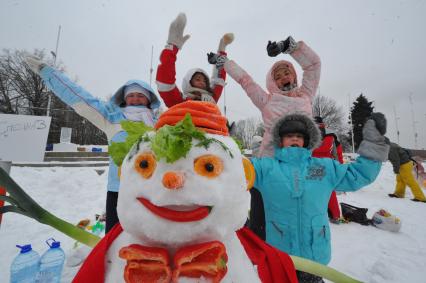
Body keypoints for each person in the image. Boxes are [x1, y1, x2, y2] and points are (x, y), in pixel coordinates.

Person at [24, 56, 161, 232]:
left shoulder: (160, 123)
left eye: (140, 95)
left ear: (149, 99)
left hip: (153, 189)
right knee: (115, 241)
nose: (135, 99)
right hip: (119, 190)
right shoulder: (110, 118)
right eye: (131, 95)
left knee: (152, 237)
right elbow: (79, 97)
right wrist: (48, 72)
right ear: (124, 99)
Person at [250, 112, 389, 283]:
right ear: (280, 140)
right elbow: (235, 170)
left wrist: (373, 144)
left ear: (307, 140)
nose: (294, 139)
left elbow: (358, 174)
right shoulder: (265, 168)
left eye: (299, 136)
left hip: (314, 256)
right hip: (280, 255)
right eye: (289, 136)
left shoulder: (323, 168)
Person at [208, 35, 321, 157]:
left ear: (293, 75)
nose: (284, 77)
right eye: (277, 77)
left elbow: (313, 66)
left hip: (301, 163)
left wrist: (288, 47)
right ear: (272, 83)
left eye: (287, 73)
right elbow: (246, 81)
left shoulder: (305, 95)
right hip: (271, 165)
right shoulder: (267, 101)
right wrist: (225, 63)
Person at [156, 13, 233, 107]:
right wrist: (172, 46)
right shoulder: (179, 100)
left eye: (205, 81)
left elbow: (218, 80)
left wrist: (221, 52)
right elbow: (165, 81)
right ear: (189, 81)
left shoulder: (211, 99)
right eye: (197, 79)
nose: (202, 82)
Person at [312, 116, 343, 223]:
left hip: (312, 165)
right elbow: (337, 152)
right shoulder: (332, 134)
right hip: (327, 165)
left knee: (310, 190)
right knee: (330, 191)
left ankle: (313, 214)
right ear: (323, 123)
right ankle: (335, 215)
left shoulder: (309, 132)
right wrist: (339, 167)